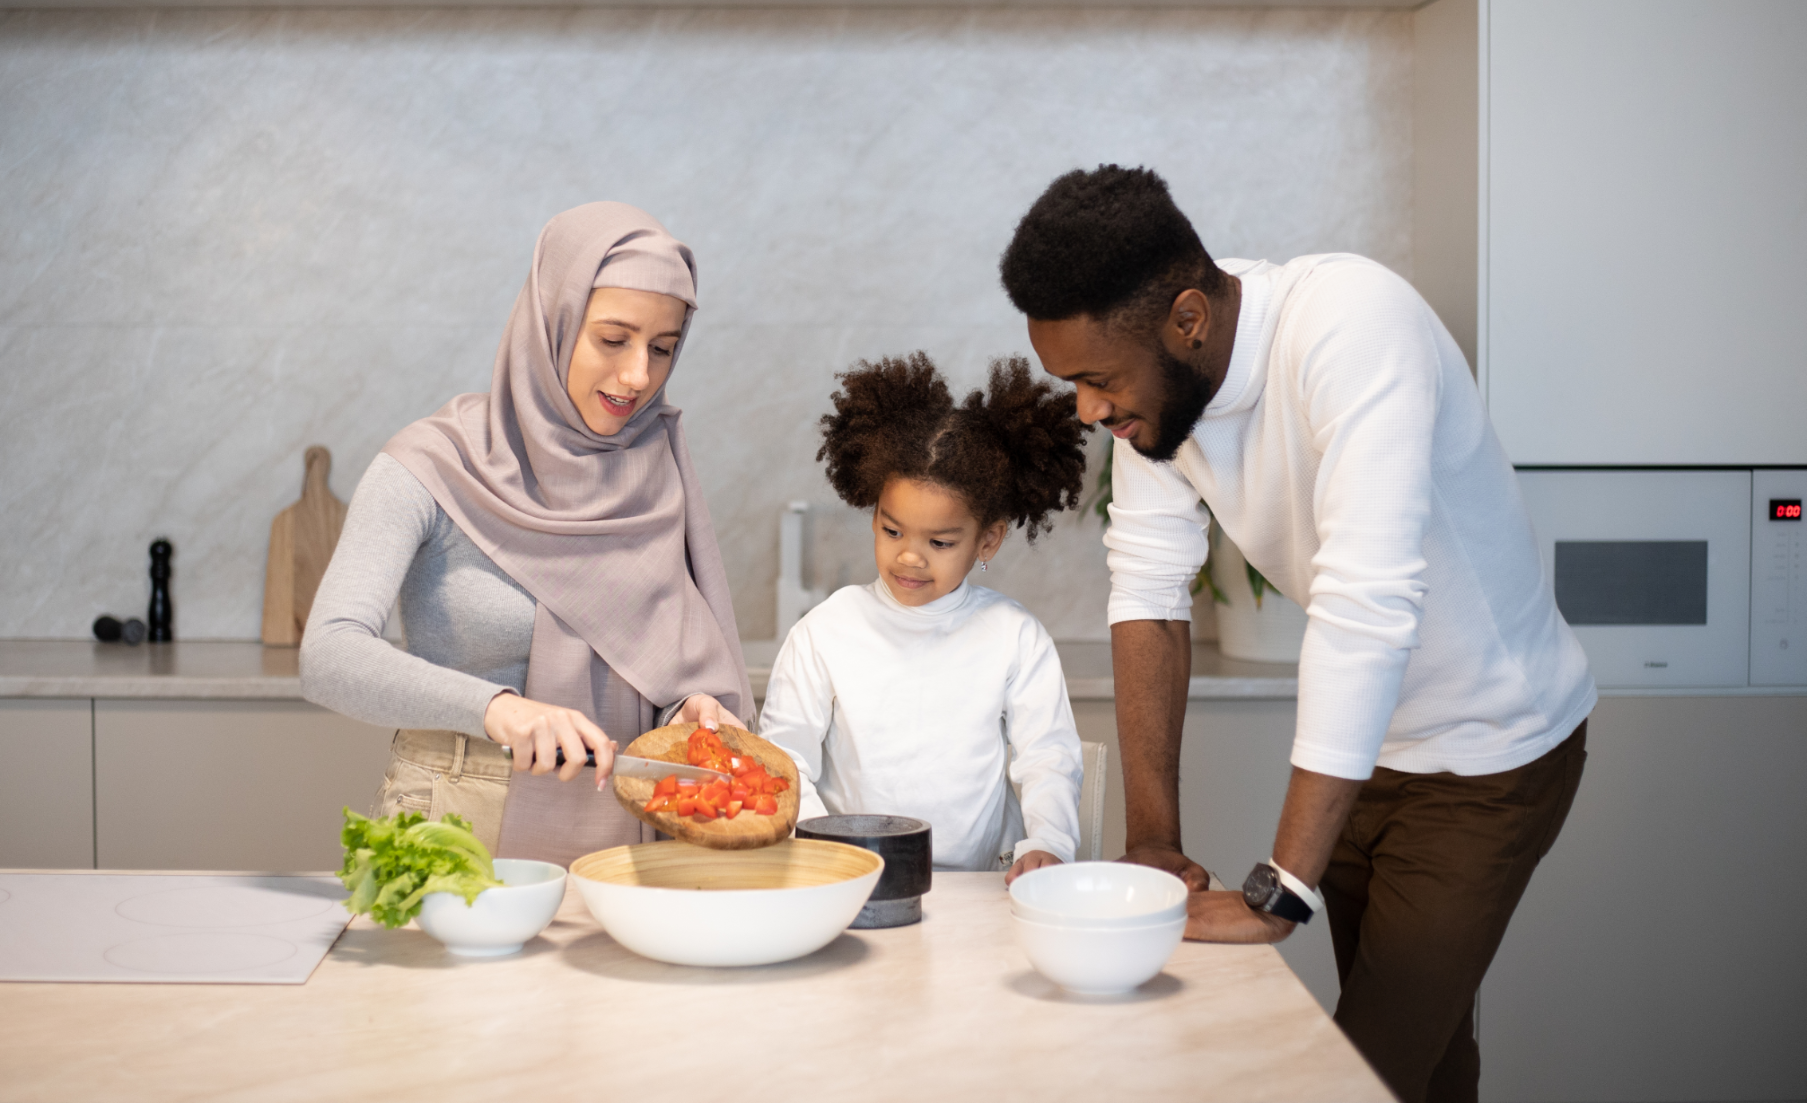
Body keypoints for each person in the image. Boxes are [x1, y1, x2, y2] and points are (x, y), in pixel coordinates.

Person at [1000, 165, 1596, 1103]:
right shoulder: (1164, 393)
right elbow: (1150, 588)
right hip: (1371, 749)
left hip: (1492, 757)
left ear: (1188, 319)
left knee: (1354, 1076)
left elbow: (1367, 607)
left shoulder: (1354, 329)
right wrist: (1154, 841)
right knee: (1424, 1064)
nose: (1087, 409)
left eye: (1095, 380)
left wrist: (1281, 888)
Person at [300, 202, 753, 867]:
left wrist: (686, 713)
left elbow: (654, 653)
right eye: (612, 338)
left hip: (632, 832)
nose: (638, 375)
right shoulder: (433, 463)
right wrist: (498, 709)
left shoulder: (657, 470)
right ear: (552, 321)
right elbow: (328, 655)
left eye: (663, 348)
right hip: (458, 814)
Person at [758, 353, 1088, 883]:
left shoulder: (1013, 636)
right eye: (893, 532)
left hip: (978, 888)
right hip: (849, 881)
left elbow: (1048, 756)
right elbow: (782, 759)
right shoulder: (825, 631)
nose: (910, 557)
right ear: (873, 517)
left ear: (988, 539)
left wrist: (1048, 840)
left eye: (939, 542)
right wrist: (826, 849)